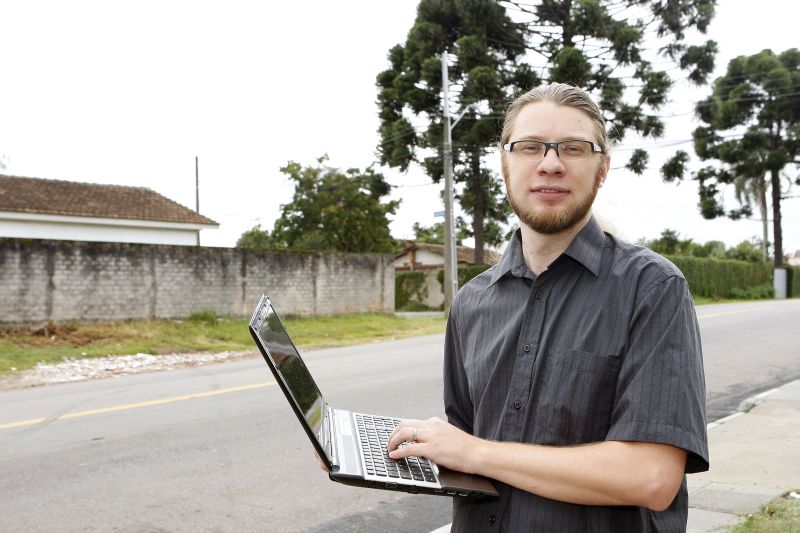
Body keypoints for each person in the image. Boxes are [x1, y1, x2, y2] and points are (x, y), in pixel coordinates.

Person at [388, 83, 708, 532]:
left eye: (574, 148)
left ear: (602, 168)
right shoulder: (472, 302)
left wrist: (475, 452)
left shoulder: (652, 288)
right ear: (505, 164)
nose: (551, 164)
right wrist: (394, 457)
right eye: (530, 147)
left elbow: (651, 477)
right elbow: (464, 456)